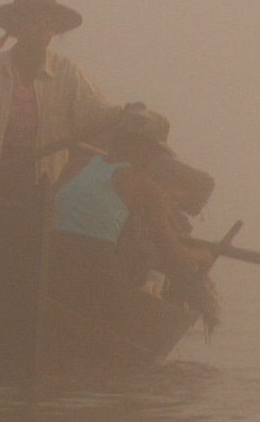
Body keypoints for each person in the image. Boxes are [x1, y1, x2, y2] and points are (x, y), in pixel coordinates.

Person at [0, 0, 115, 252]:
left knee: (37, 254)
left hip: (45, 186)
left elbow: (95, 114)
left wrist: (125, 113)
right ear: (16, 26)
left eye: (48, 24)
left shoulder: (67, 72)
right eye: (34, 22)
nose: (42, 30)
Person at [52, 103, 222, 319]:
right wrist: (203, 255)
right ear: (143, 149)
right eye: (156, 153)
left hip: (52, 266)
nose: (155, 161)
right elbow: (175, 253)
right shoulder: (144, 186)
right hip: (93, 280)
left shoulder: (74, 166)